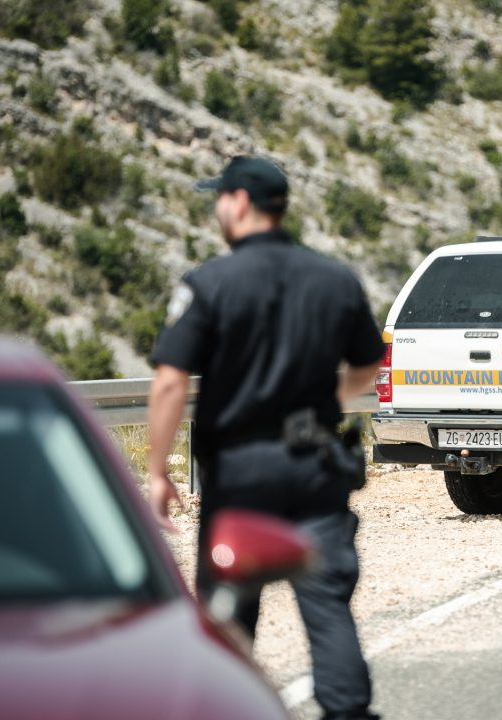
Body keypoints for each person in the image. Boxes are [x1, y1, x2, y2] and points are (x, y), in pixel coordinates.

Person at [146, 156, 384, 720]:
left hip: (241, 472)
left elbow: (169, 382)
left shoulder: (209, 284)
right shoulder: (335, 278)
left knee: (228, 611)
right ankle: (348, 713)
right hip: (315, 462)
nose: (217, 209)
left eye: (220, 198)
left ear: (241, 203)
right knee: (326, 602)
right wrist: (327, 400)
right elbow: (371, 365)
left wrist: (157, 471)